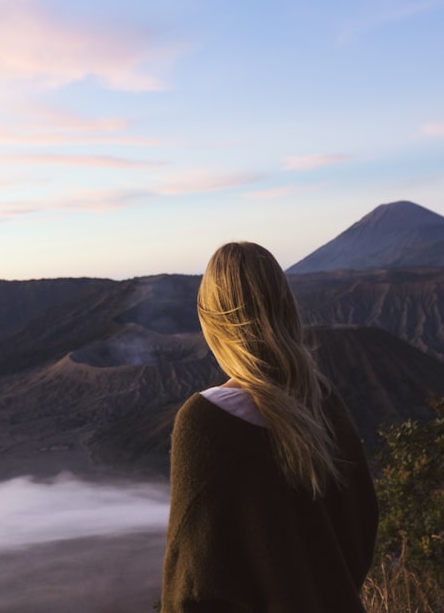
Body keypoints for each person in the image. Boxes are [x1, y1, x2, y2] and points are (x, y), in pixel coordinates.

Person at [161, 242, 379, 612]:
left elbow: (193, 576)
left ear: (213, 321)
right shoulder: (323, 402)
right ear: (286, 308)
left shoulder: (205, 422)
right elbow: (361, 524)